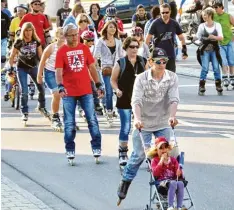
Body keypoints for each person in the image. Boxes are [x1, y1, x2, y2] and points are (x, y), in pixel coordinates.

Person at [117, 48, 179, 201]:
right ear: (151, 62)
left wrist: (172, 116)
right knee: (139, 155)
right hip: (143, 122)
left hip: (162, 121)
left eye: (165, 61)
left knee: (165, 155)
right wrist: (137, 119)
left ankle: (162, 188)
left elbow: (174, 99)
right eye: (158, 61)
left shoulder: (172, 77)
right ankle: (125, 181)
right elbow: (136, 101)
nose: (162, 64)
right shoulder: (141, 79)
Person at [55, 23, 104, 163]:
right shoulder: (61, 51)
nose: (75, 37)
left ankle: (96, 146)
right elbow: (58, 71)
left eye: (76, 34)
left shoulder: (84, 48)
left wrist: (98, 83)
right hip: (69, 92)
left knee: (92, 120)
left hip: (85, 91)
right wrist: (60, 86)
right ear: (65, 36)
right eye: (71, 35)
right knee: (69, 123)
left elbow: (92, 67)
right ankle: (70, 148)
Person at [110, 37, 147, 168]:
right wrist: (117, 90)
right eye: (131, 47)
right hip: (125, 99)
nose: (135, 49)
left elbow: (149, 78)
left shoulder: (143, 61)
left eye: (137, 46)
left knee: (143, 127)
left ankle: (144, 153)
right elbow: (113, 80)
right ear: (126, 48)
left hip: (141, 100)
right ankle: (123, 153)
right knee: (125, 127)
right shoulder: (121, 63)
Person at [8, 22, 50, 123]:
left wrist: (45, 66)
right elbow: (12, 55)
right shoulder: (19, 41)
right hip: (21, 68)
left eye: (30, 30)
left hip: (33, 67)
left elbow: (40, 56)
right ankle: (25, 112)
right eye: (26, 30)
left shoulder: (36, 41)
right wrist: (11, 67)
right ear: (23, 31)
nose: (28, 33)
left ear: (33, 31)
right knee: (25, 92)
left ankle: (41, 106)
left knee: (41, 87)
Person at [94, 20, 124, 122]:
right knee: (109, 92)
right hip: (106, 69)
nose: (113, 29)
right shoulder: (101, 41)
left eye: (114, 27)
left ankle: (121, 110)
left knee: (119, 90)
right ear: (106, 28)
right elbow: (95, 56)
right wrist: (98, 68)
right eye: (111, 27)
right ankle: (109, 111)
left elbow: (121, 56)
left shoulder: (118, 41)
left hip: (117, 68)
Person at [189, 8, 223, 95]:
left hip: (214, 50)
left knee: (216, 67)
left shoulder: (217, 25)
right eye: (203, 15)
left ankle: (218, 85)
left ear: (210, 15)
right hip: (204, 50)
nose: (203, 16)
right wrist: (192, 38)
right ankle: (201, 86)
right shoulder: (201, 26)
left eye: (205, 15)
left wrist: (213, 37)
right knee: (205, 68)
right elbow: (198, 36)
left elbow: (221, 37)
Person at [146, 3, 187, 73]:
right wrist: (147, 54)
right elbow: (147, 39)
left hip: (170, 55)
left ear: (170, 12)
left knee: (171, 77)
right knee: (159, 77)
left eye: (166, 12)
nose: (164, 14)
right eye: (162, 12)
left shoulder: (174, 23)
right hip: (158, 55)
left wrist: (184, 51)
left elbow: (181, 38)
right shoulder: (155, 23)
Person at [37, 27, 65, 131]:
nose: (63, 35)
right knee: (57, 93)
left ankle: (68, 118)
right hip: (50, 73)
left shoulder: (68, 47)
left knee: (68, 95)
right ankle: (55, 117)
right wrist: (39, 75)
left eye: (64, 33)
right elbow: (43, 61)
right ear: (56, 36)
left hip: (63, 74)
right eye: (60, 33)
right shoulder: (51, 47)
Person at [151, 137, 185, 210]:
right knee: (173, 183)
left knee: (180, 183)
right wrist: (162, 160)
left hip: (173, 180)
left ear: (168, 149)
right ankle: (170, 206)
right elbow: (155, 173)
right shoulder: (155, 160)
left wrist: (179, 171)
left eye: (165, 147)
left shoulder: (173, 160)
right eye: (161, 148)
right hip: (161, 182)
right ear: (156, 150)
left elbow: (178, 174)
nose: (163, 150)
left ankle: (179, 207)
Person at [81, 30, 104, 115]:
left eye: (92, 40)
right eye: (88, 40)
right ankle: (83, 107)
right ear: (83, 40)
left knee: (94, 88)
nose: (91, 42)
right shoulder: (82, 48)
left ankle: (97, 104)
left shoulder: (93, 48)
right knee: (86, 89)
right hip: (84, 72)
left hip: (92, 70)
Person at [213, 0, 234, 89]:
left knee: (231, 61)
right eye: (214, 8)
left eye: (217, 7)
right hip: (220, 43)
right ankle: (225, 77)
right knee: (223, 61)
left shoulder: (228, 16)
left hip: (229, 41)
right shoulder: (214, 17)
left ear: (222, 7)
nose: (215, 9)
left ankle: (232, 77)